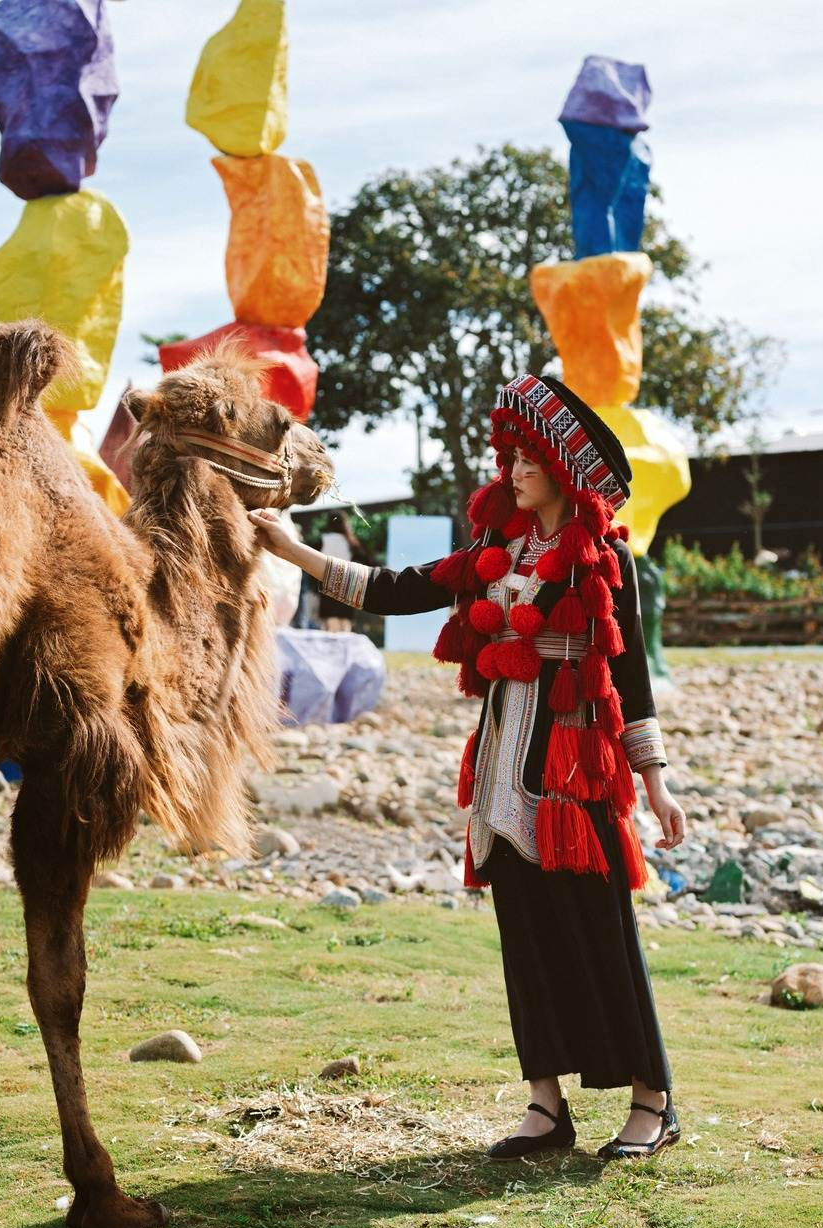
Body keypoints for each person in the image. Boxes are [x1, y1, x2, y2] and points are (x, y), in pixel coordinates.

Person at [252, 374, 688, 1162]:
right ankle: (546, 1105)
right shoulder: (498, 551)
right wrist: (293, 551)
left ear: (560, 465)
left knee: (600, 934)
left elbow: (629, 681)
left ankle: (653, 1100)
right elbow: (397, 588)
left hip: (571, 779)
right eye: (510, 456)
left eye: (526, 457)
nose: (511, 469)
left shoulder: (603, 558)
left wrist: (654, 778)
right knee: (525, 936)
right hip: (500, 779)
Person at [315, 511, 373, 632]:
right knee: (345, 623)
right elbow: (367, 561)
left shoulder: (322, 540)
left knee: (331, 624)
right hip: (347, 584)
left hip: (327, 583)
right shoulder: (351, 542)